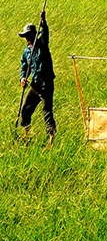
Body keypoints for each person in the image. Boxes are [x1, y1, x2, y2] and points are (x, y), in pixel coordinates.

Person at [18, 10, 55, 146]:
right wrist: (23, 78)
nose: (27, 38)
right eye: (26, 36)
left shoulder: (42, 45)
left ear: (34, 35)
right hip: (35, 85)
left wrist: (43, 21)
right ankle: (26, 134)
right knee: (26, 109)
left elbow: (45, 33)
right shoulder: (26, 52)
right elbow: (24, 66)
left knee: (47, 112)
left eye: (29, 36)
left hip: (46, 85)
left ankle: (51, 139)